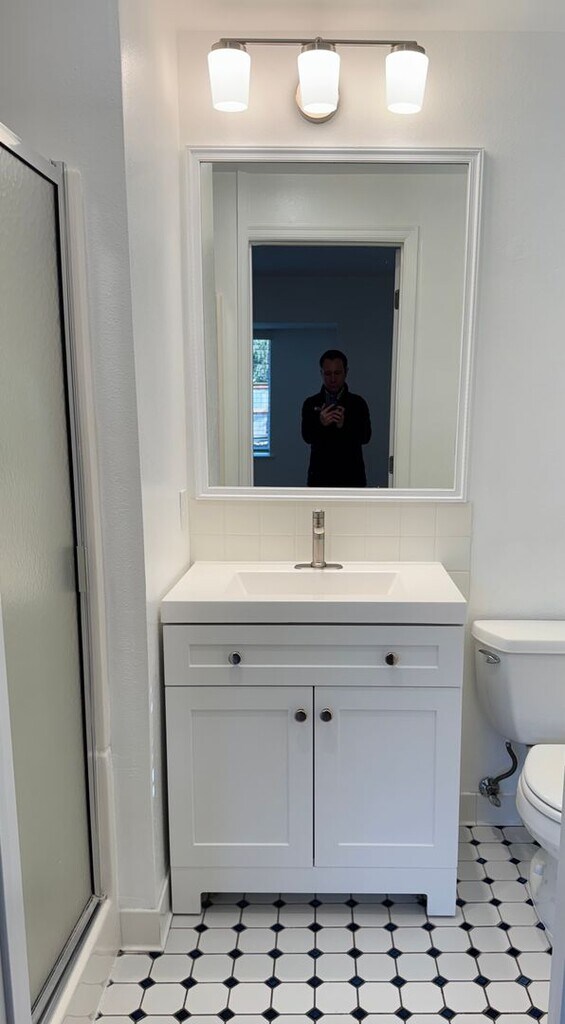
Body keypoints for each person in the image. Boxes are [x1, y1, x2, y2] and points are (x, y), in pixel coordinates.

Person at [301, 349, 371, 487]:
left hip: (352, 478)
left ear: (346, 372)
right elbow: (307, 437)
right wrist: (321, 423)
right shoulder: (311, 403)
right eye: (328, 373)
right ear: (321, 373)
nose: (333, 379)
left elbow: (366, 437)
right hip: (320, 478)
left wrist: (344, 424)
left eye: (337, 373)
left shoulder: (358, 403)